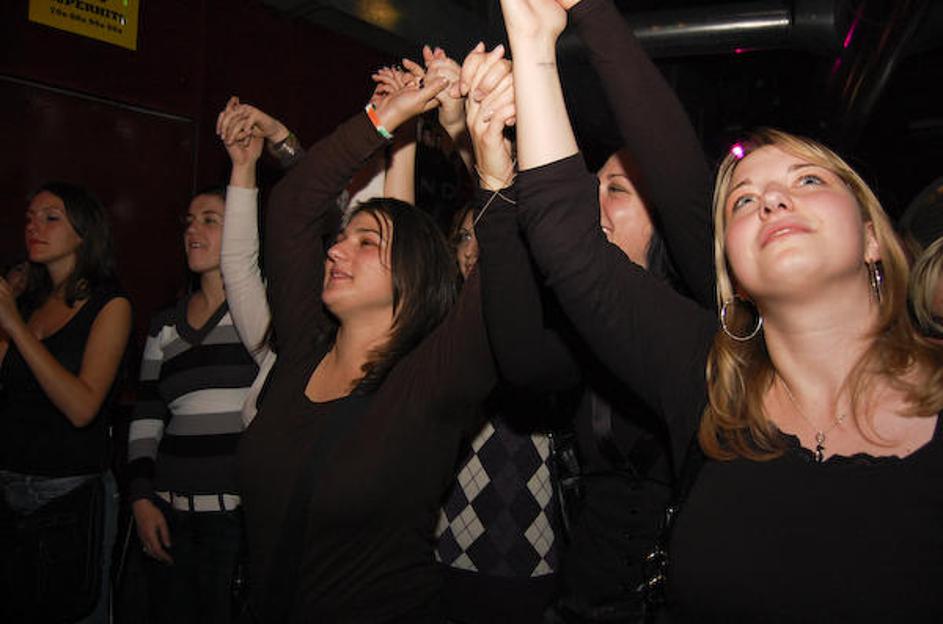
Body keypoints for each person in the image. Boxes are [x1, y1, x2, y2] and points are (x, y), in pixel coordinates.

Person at [499, 0, 943, 619]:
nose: (772, 201)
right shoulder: (708, 385)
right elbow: (568, 242)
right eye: (743, 201)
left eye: (809, 180)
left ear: (873, 237)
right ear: (730, 269)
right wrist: (533, 43)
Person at [232, 59, 507, 622]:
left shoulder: (430, 381)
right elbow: (292, 207)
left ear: (411, 273)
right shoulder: (303, 347)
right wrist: (383, 118)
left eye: (365, 241)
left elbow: (510, 263)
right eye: (343, 238)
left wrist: (471, 137)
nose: (336, 250)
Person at [465, 0, 713, 618]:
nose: (591, 197)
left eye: (617, 189)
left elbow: (683, 183)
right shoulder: (584, 332)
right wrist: (495, 177)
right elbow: (523, 361)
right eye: (591, 183)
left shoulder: (709, 325)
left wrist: (588, 11)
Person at [0, 182, 132, 623]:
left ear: (83, 232)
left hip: (69, 498)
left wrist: (16, 329)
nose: (34, 226)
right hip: (10, 487)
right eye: (29, 218)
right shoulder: (27, 303)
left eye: (50, 217)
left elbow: (82, 407)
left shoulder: (109, 305)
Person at [127, 187, 259, 623]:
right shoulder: (164, 324)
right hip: (168, 513)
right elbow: (147, 415)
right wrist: (141, 499)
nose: (192, 230)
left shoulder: (262, 313)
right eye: (189, 222)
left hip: (237, 520)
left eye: (209, 220)